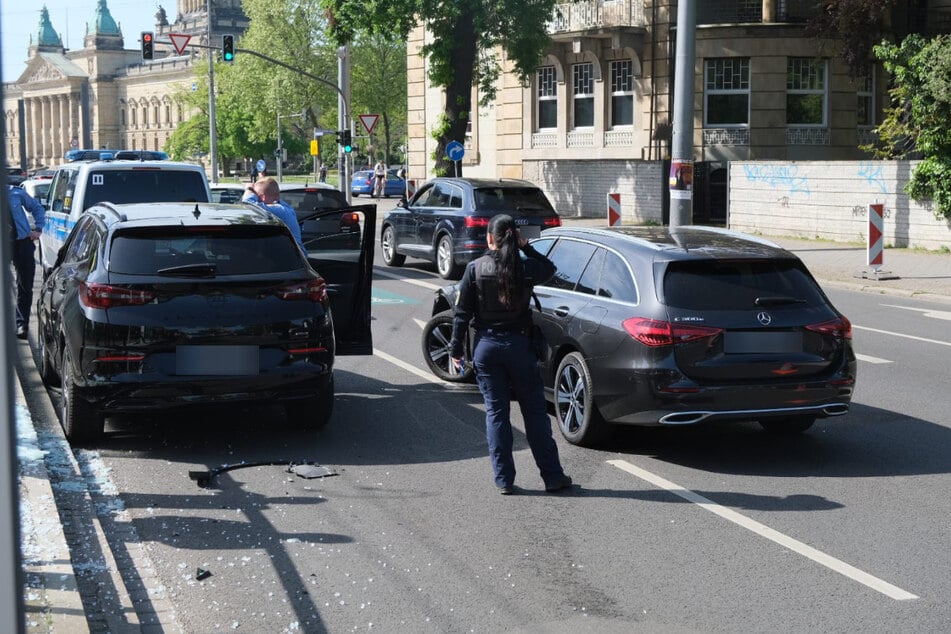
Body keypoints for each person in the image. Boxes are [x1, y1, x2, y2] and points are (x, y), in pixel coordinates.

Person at [449, 214, 572, 495]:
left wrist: (456, 350)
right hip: (520, 347)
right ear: (514, 238)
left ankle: (504, 480)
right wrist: (525, 247)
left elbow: (461, 314)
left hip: (487, 349)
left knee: (496, 413)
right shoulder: (525, 267)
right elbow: (550, 269)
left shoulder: (475, 269)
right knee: (535, 414)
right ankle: (552, 477)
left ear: (489, 238)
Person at [7, 184, 46, 339]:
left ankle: (22, 324)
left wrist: (38, 228)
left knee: (25, 285)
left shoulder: (15, 193)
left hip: (22, 243)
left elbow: (36, 207)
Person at [241, 177, 303, 249]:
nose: (257, 200)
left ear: (262, 196)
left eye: (256, 196)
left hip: (291, 256)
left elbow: (248, 203)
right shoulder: (283, 206)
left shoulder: (279, 209)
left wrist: (249, 188)